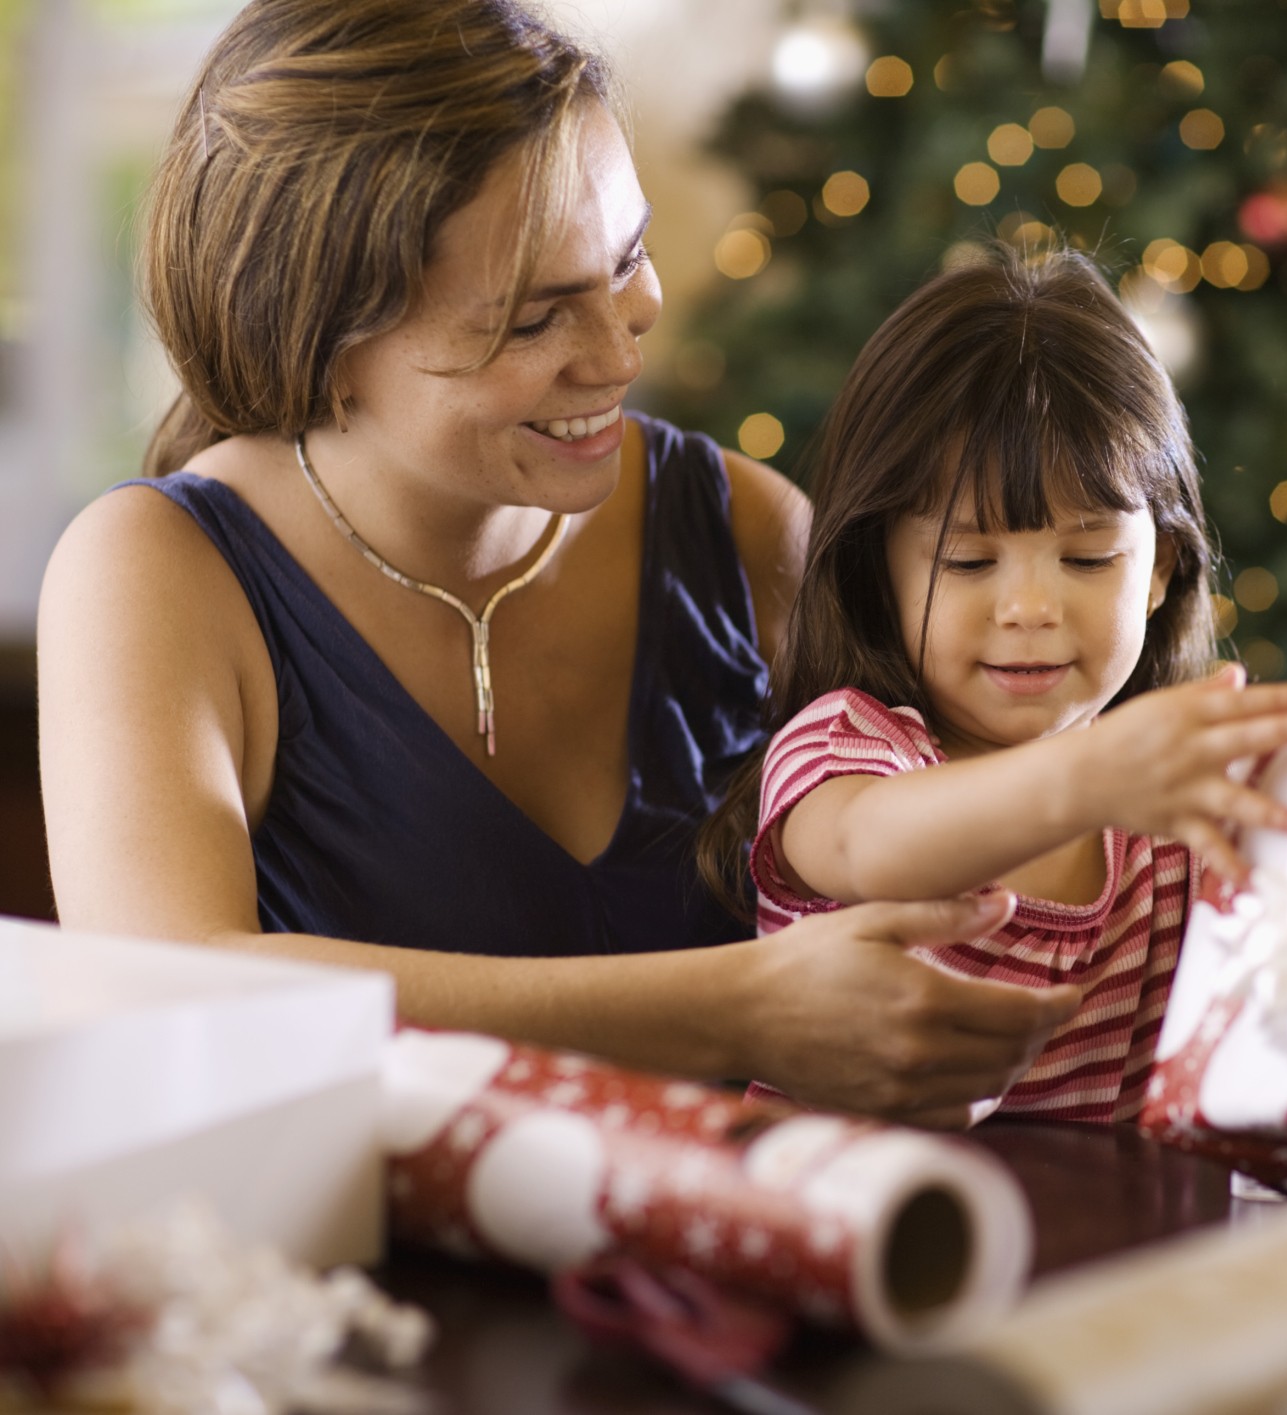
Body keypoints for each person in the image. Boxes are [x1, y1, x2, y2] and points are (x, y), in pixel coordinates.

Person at [35, 0, 1079, 1127]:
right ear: (323, 345)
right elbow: (177, 997)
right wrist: (736, 1005)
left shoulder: (744, 530)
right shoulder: (153, 571)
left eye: (626, 258)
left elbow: (1001, 828)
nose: (623, 341)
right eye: (534, 323)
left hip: (741, 1262)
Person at [701, 249, 1287, 1123]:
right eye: (968, 560)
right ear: (881, 569)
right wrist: (1091, 778)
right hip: (849, 1227)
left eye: (1088, 557)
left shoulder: (1170, 824)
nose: (1029, 607)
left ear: (1159, 570)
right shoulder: (846, 745)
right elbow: (869, 848)